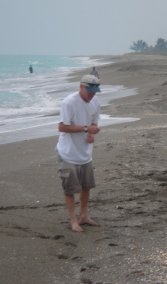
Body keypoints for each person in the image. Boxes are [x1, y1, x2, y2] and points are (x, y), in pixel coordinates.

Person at [56, 75, 102, 232]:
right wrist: (86, 129)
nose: (92, 95)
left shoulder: (95, 101)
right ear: (81, 87)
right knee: (70, 189)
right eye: (89, 91)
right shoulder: (69, 102)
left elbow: (94, 121)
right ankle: (73, 220)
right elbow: (62, 127)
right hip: (68, 153)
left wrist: (92, 134)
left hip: (85, 153)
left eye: (94, 92)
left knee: (86, 186)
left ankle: (83, 216)